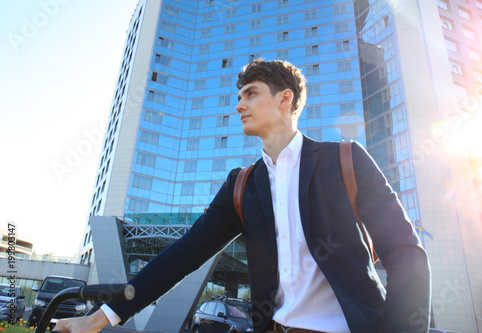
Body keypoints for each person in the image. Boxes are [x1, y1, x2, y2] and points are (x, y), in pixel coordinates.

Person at [55, 59, 431, 333]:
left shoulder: (346, 160)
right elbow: (182, 255)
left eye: (251, 94)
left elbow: (404, 252)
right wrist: (100, 317)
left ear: (285, 99)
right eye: (239, 96)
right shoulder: (242, 185)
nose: (239, 105)